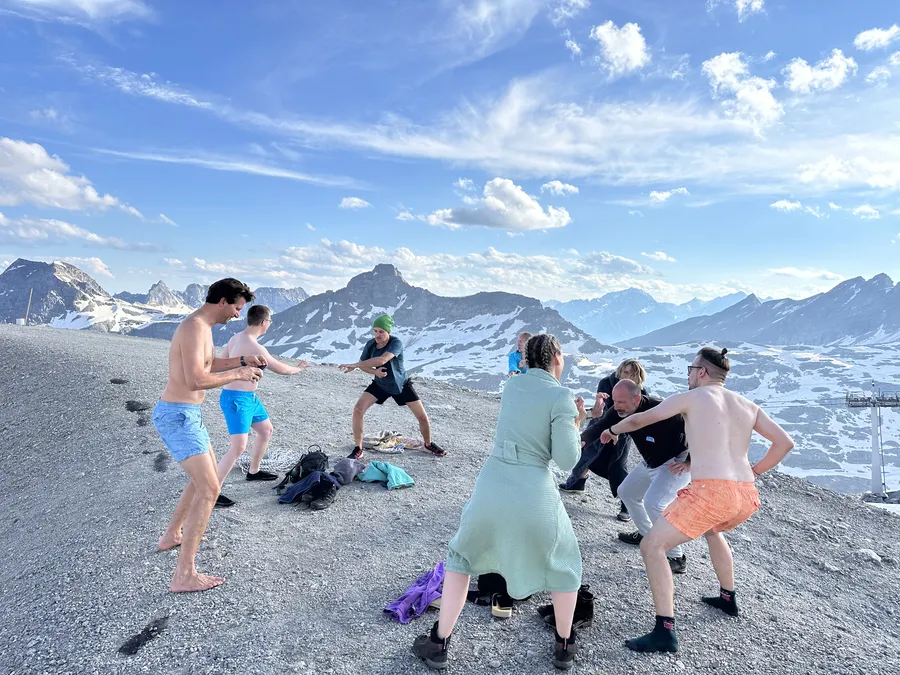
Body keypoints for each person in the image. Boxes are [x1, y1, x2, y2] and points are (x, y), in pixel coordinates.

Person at [412, 334, 587, 671]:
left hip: (492, 484)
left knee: (461, 557)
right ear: (557, 357)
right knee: (564, 565)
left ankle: (439, 641)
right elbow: (566, 459)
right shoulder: (562, 397)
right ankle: (564, 645)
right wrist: (577, 421)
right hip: (533, 490)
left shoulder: (512, 387)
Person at [608, 347, 794, 653]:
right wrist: (755, 471)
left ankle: (664, 631)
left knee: (652, 545)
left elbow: (640, 420)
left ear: (702, 372)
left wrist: (612, 429)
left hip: (711, 491)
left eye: (691, 369)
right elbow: (784, 443)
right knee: (712, 530)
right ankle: (727, 598)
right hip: (745, 494)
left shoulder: (691, 398)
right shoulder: (748, 405)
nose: (689, 375)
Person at [152, 278, 265, 593]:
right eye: (236, 309)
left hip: (187, 415)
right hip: (178, 415)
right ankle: (184, 575)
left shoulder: (202, 328)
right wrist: (238, 374)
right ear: (223, 301)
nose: (236, 316)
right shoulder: (193, 328)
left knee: (204, 479)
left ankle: (171, 535)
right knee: (209, 490)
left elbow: (209, 362)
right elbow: (195, 380)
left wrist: (244, 360)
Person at [586, 380, 691, 574]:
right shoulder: (618, 411)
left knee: (654, 503)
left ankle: (676, 556)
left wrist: (689, 462)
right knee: (627, 492)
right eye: (615, 401)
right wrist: (580, 441)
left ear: (636, 398)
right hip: (651, 461)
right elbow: (599, 426)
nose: (616, 406)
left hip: (676, 462)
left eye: (621, 402)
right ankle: (647, 534)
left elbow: (695, 431)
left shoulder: (661, 409)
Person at [214, 304, 310, 505]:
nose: (269, 325)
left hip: (249, 399)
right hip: (237, 399)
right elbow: (281, 369)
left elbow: (221, 363)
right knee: (238, 448)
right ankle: (211, 493)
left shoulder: (235, 338)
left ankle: (254, 471)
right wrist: (298, 369)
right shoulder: (257, 347)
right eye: (269, 322)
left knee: (266, 430)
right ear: (264, 322)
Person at [339, 314, 445, 459]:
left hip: (400, 385)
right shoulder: (370, 344)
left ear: (388, 332)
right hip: (380, 384)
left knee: (423, 417)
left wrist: (356, 365)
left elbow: (382, 360)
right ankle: (358, 448)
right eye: (375, 331)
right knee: (358, 409)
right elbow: (364, 365)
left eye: (381, 331)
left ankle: (427, 444)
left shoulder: (396, 343)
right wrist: (374, 371)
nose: (377, 335)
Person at [559, 359, 648, 522]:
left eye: (632, 373)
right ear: (619, 371)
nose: (627, 375)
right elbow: (605, 411)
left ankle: (626, 505)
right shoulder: (607, 383)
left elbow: (637, 419)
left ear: (638, 376)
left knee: (617, 465)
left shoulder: (641, 393)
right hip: (601, 425)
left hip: (622, 433)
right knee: (586, 451)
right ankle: (577, 482)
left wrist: (618, 432)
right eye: (625, 371)